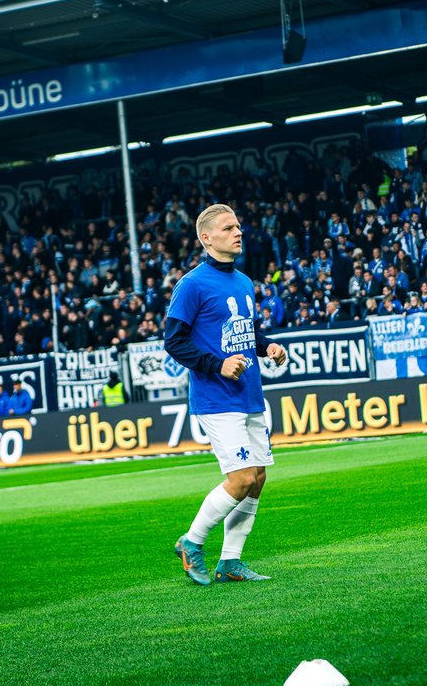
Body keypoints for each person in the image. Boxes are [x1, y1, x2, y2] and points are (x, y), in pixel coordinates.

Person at [165, 204, 287, 586]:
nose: (238, 232)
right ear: (206, 238)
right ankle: (191, 541)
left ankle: (230, 561)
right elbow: (173, 341)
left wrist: (267, 347)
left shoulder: (244, 282)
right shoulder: (192, 284)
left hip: (249, 394)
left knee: (258, 478)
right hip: (217, 398)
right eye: (228, 228)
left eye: (238, 226)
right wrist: (216, 364)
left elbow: (247, 333)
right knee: (240, 478)